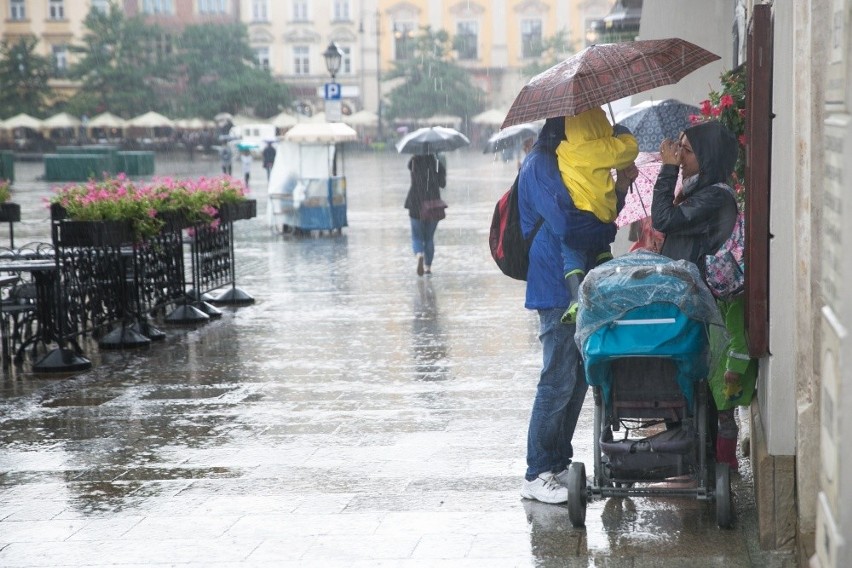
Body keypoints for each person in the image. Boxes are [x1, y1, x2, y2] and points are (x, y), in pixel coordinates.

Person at [517, 117, 637, 503]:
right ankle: (537, 472)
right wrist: (601, 221)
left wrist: (617, 189)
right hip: (555, 285)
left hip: (582, 282)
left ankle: (559, 462)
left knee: (579, 378)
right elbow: (570, 225)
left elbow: (604, 224)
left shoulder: (571, 161)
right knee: (557, 378)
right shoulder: (540, 164)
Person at [652, 120, 740, 460]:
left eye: (687, 151)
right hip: (684, 295)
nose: (680, 157)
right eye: (680, 150)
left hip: (696, 299)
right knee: (683, 376)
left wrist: (666, 171)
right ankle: (687, 455)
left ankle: (698, 459)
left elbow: (662, 219)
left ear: (709, 156)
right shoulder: (703, 191)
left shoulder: (715, 197)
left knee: (696, 380)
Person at [554, 108, 639, 324]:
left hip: (576, 214)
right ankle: (605, 274)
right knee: (601, 245)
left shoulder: (565, 149)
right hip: (601, 213)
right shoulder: (604, 147)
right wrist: (621, 131)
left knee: (571, 254)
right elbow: (630, 150)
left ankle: (575, 298)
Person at [709, 294, 758, 472]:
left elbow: (739, 341)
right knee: (723, 416)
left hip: (728, 373)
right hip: (721, 370)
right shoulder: (726, 300)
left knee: (726, 417)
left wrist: (733, 368)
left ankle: (726, 463)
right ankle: (723, 461)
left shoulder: (735, 304)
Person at [404, 153, 446, 276]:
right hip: (433, 205)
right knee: (429, 238)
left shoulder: (414, 162)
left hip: (416, 204)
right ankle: (427, 267)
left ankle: (419, 254)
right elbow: (442, 184)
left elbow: (414, 178)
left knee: (417, 236)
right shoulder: (437, 163)